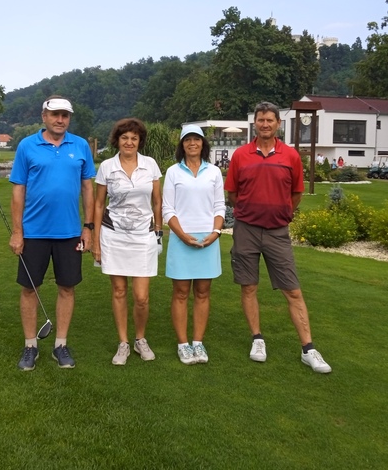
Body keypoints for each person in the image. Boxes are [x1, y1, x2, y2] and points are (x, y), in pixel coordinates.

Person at [225, 101, 332, 373]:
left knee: (292, 290)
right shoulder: (240, 155)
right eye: (260, 120)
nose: (265, 124)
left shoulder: (291, 156)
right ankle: (257, 339)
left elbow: (296, 194)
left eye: (269, 120)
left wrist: (281, 213)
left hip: (277, 232)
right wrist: (251, 210)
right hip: (246, 230)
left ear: (277, 124)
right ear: (255, 123)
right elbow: (232, 194)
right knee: (248, 286)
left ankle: (308, 349)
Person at [10, 95, 96, 371]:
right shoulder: (27, 146)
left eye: (65, 115)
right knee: (29, 289)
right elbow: (18, 190)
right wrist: (17, 231)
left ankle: (60, 344)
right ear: (44, 116)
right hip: (34, 232)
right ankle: (30, 346)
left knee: (67, 287)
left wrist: (88, 227)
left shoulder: (80, 145)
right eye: (55, 114)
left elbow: (88, 188)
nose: (60, 120)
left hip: (69, 232)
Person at [93, 118, 163, 365]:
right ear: (117, 140)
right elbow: (99, 204)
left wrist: (158, 231)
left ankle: (140, 339)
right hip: (113, 235)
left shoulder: (150, 165)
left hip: (143, 236)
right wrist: (96, 242)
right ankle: (123, 343)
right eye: (125, 138)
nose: (129, 142)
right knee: (119, 291)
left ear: (139, 141)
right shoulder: (107, 167)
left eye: (134, 138)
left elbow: (157, 202)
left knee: (141, 296)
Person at [162, 125, 225, 365]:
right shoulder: (173, 172)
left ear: (202, 143)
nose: (192, 143)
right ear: (182, 144)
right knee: (180, 293)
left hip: (208, 240)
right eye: (187, 140)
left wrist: (215, 233)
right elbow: (168, 209)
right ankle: (183, 344)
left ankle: (198, 342)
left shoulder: (214, 172)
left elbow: (219, 206)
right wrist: (182, 235)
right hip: (181, 239)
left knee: (203, 292)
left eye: (196, 139)